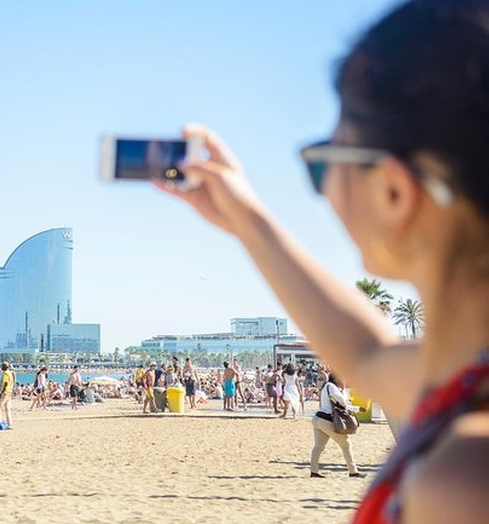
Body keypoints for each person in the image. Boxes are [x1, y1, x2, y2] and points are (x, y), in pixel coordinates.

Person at [155, 1, 489, 520]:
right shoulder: (465, 374)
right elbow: (365, 353)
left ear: (395, 193)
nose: (324, 192)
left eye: (323, 164)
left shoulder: (462, 482)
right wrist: (248, 222)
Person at [310, 373, 363, 478]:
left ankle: (314, 471)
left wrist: (356, 408)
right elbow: (343, 403)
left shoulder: (326, 386)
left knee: (318, 447)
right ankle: (353, 471)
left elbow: (340, 405)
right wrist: (343, 389)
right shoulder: (332, 387)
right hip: (326, 420)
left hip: (318, 418)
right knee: (346, 445)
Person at [0, 362, 14, 428]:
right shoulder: (10, 373)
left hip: (5, 392)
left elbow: (5, 384)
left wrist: (0, 393)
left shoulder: (5, 373)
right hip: (9, 392)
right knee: (7, 408)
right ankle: (9, 424)